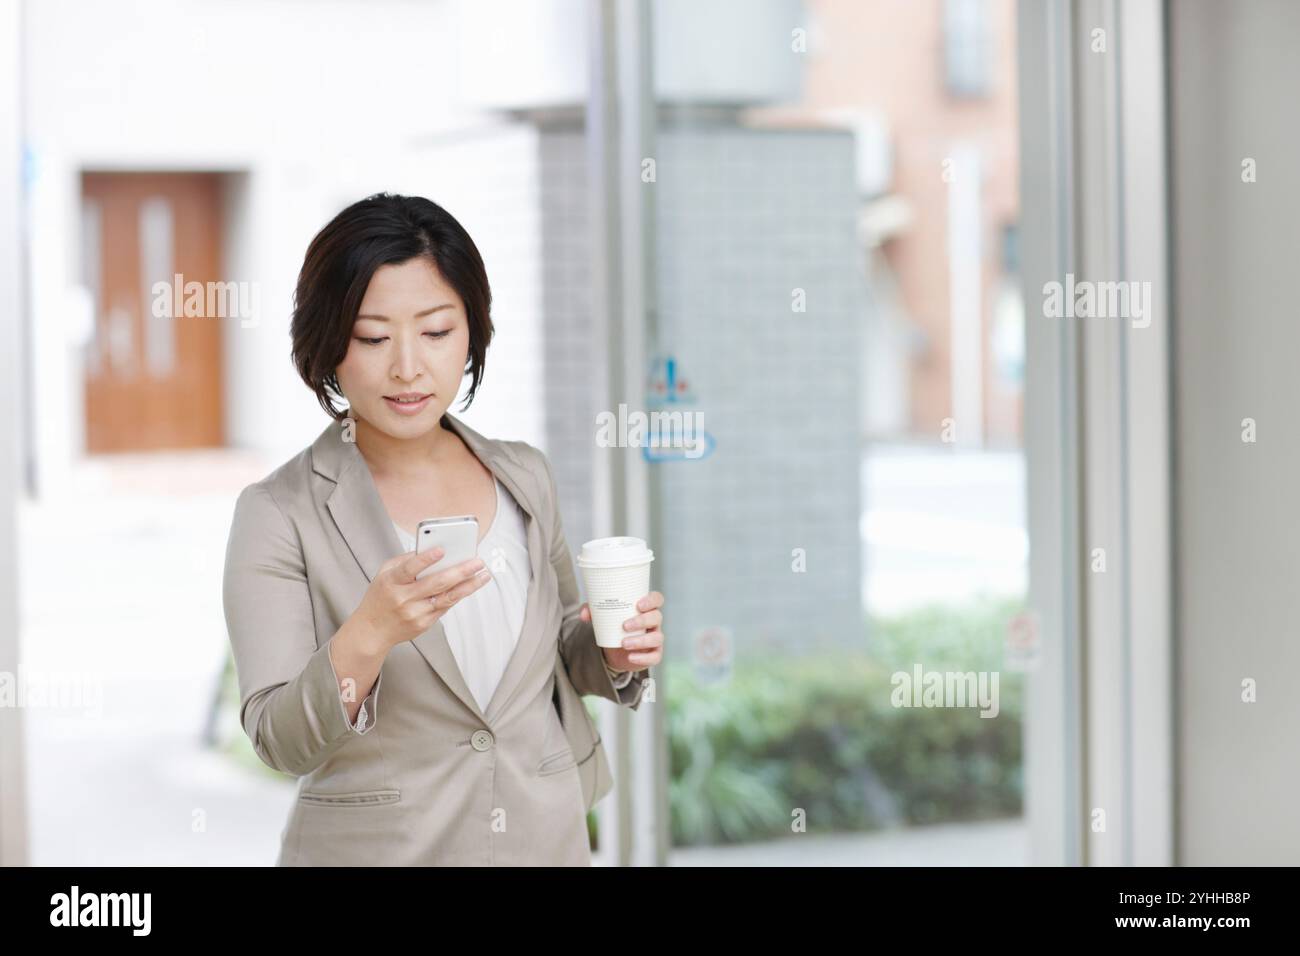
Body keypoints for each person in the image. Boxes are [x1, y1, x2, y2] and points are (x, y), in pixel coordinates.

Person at [221, 192, 665, 865]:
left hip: (543, 842)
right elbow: (279, 740)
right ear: (329, 345)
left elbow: (561, 652)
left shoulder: (524, 474)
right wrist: (369, 632)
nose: (408, 367)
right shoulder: (278, 512)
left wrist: (614, 651)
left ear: (472, 332)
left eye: (436, 332)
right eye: (373, 337)